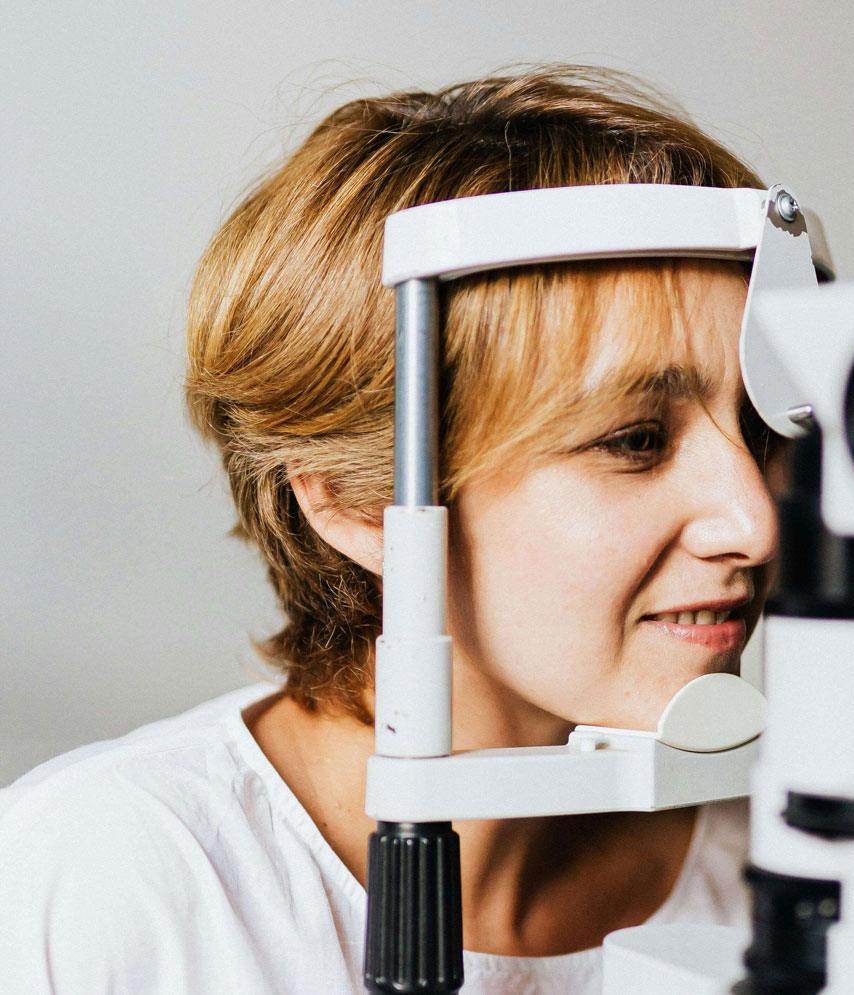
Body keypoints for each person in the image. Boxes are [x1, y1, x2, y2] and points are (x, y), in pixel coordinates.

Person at [0, 66, 784, 994]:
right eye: (634, 439)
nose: (756, 521)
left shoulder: (805, 864)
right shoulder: (103, 890)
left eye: (766, 425)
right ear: (354, 499)